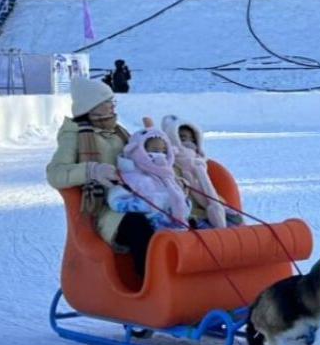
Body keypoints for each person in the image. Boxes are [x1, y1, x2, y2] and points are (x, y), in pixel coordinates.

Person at [46, 77, 153, 276]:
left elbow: (141, 160)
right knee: (138, 226)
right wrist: (92, 170)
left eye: (112, 101)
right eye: (107, 102)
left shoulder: (119, 131)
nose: (113, 106)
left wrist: (155, 142)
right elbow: (55, 173)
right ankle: (148, 286)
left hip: (135, 198)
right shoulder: (74, 135)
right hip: (105, 210)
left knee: (172, 217)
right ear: (91, 106)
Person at [161, 114, 243, 227]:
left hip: (212, 210)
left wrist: (220, 204)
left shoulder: (200, 164)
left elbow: (210, 190)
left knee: (234, 224)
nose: (189, 143)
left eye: (192, 140)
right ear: (173, 139)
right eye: (183, 138)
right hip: (190, 213)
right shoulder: (170, 165)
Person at [107, 128, 190, 233]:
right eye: (155, 151)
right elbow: (116, 201)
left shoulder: (168, 178)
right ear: (138, 151)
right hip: (148, 227)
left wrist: (183, 198)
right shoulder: (131, 176)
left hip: (175, 228)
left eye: (164, 151)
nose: (161, 155)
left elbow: (181, 208)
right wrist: (150, 205)